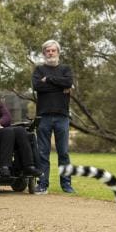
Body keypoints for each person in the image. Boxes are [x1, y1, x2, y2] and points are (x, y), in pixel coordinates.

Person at [31, 39, 75, 194]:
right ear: (43, 53)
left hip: (62, 116)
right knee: (43, 152)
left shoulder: (65, 69)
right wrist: (60, 86)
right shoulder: (38, 70)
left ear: (58, 52)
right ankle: (42, 184)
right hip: (43, 117)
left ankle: (66, 184)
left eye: (53, 50)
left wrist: (49, 80)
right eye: (47, 51)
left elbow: (68, 81)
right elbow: (37, 86)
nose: (50, 53)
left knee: (63, 152)